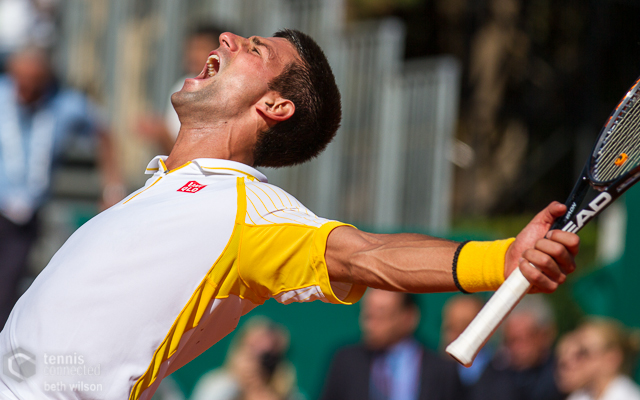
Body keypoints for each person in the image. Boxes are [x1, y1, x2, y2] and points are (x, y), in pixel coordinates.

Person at [0, 29, 579, 400]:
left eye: (255, 50)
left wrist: (500, 260)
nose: (227, 38)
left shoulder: (246, 210)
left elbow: (365, 254)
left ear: (275, 105)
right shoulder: (158, 189)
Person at [0, 46, 122, 328]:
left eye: (33, 82)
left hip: (27, 213)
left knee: (7, 287)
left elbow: (103, 133)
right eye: (20, 81)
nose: (25, 90)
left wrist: (112, 187)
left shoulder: (66, 105)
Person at [320, 289, 462, 400]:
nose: (369, 324)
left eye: (381, 314)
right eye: (367, 315)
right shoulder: (346, 361)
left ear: (409, 317)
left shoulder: (441, 369)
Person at [137, 25, 224, 154]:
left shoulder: (227, 90)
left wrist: (161, 133)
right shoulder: (183, 86)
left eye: (201, 48)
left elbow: (192, 154)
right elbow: (178, 154)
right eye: (190, 48)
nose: (193, 55)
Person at [190, 316, 303, 400]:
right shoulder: (217, 383)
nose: (257, 361)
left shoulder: (290, 395)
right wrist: (238, 384)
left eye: (267, 355)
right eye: (253, 349)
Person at [441, 295, 517, 400]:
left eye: (464, 327)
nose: (455, 335)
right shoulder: (436, 374)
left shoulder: (505, 375)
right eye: (450, 327)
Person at [499, 295, 564, 400]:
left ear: (544, 335)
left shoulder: (562, 374)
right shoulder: (496, 374)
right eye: (510, 341)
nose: (516, 348)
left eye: (522, 339)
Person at [560, 318, 640, 400]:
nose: (570, 360)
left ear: (611, 358)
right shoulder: (580, 395)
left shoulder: (630, 396)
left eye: (584, 352)